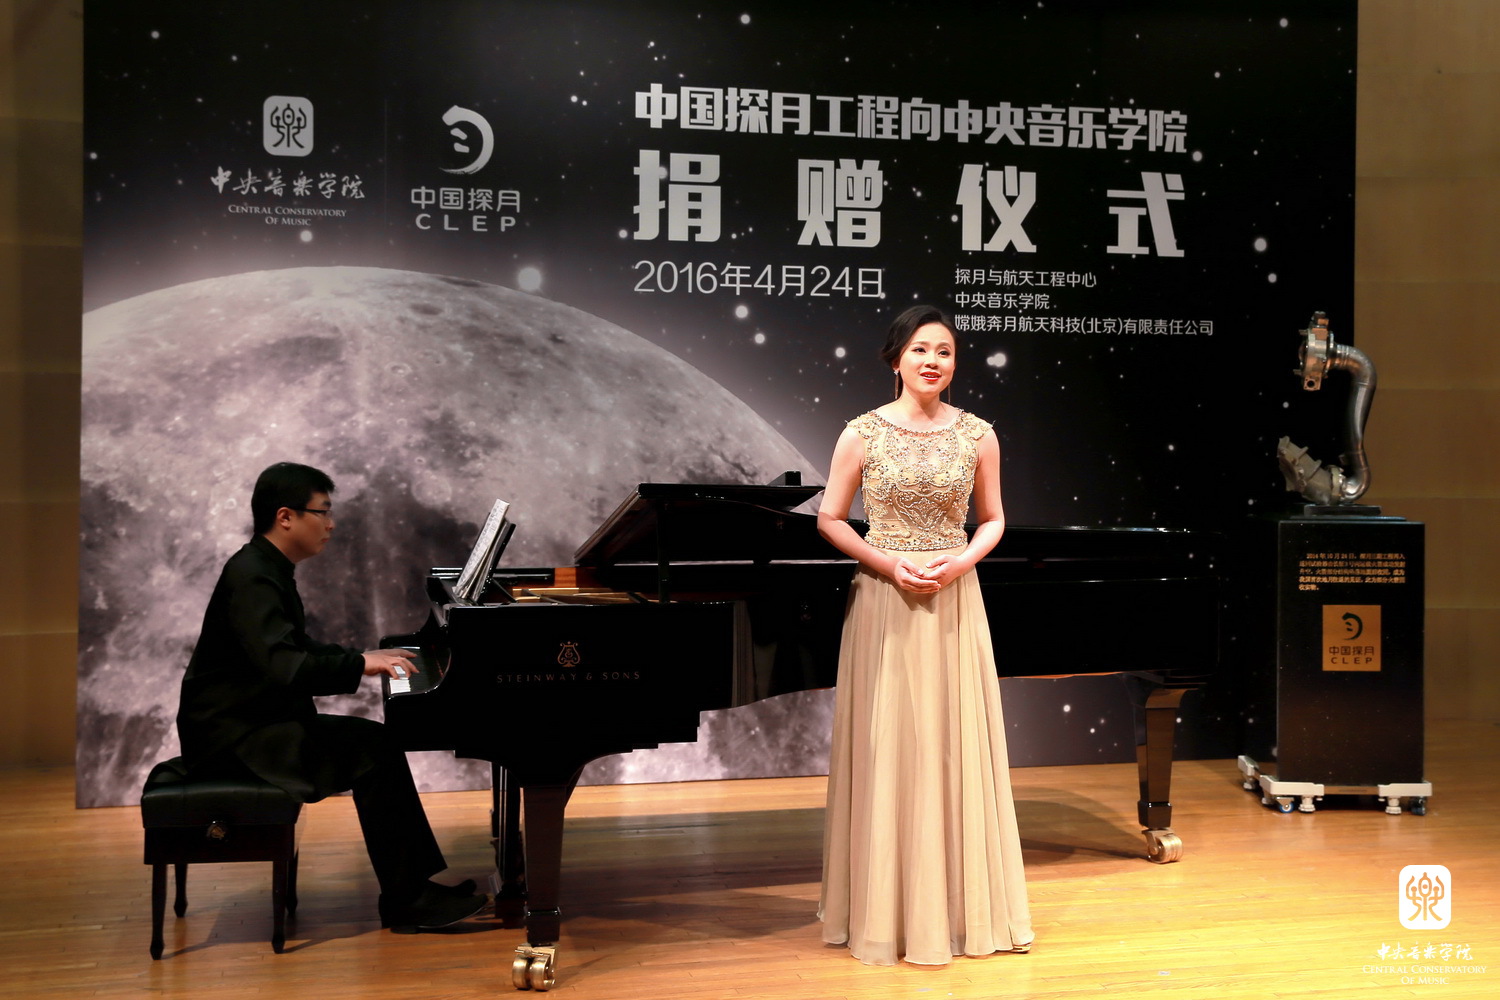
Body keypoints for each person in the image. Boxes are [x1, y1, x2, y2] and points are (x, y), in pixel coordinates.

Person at [176, 461, 487, 931]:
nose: (331, 523)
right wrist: (360, 665)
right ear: (286, 517)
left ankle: (412, 889)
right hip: (235, 739)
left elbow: (294, 648)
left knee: (376, 744)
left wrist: (360, 657)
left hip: (249, 724)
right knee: (375, 749)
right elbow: (288, 667)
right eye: (322, 512)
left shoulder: (265, 567)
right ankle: (408, 900)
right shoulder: (254, 576)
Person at [816, 305, 1033, 965]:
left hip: (953, 597)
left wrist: (960, 562)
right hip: (885, 599)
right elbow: (830, 518)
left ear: (955, 363)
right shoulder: (861, 432)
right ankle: (886, 914)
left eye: (944, 351)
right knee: (890, 744)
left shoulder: (978, 435)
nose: (932, 361)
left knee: (950, 743)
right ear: (896, 358)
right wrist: (888, 565)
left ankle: (962, 915)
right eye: (919, 349)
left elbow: (993, 519)